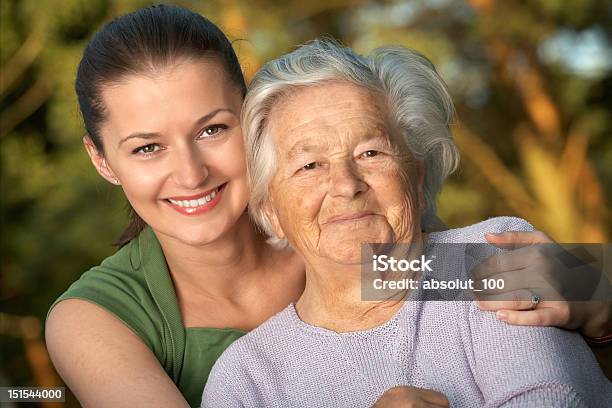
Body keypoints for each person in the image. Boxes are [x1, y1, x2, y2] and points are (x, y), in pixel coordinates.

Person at [44, 5, 611, 407]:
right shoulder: (101, 324)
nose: (191, 173)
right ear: (102, 160)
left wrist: (597, 297)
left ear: (253, 126)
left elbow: (493, 281)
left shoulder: (367, 245)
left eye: (213, 129)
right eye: (147, 147)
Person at [202, 39, 612, 407]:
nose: (346, 185)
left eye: (370, 153)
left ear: (416, 177)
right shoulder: (246, 379)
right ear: (270, 209)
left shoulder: (488, 261)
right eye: (309, 165)